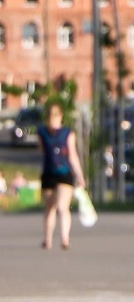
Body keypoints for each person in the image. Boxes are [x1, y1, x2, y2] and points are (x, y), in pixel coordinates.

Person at [37, 102, 85, 250]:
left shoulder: (59, 133)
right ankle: (55, 239)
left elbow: (71, 155)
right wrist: (80, 176)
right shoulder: (50, 133)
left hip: (59, 173)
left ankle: (57, 239)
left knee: (58, 207)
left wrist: (80, 175)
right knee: (55, 208)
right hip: (55, 173)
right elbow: (70, 155)